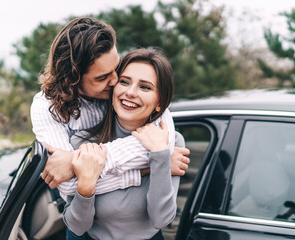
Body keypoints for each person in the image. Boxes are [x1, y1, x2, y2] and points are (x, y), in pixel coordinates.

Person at [31, 17, 190, 196]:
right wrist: (150, 168)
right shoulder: (46, 108)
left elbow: (165, 144)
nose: (115, 81)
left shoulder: (125, 92)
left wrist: (76, 162)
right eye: (102, 77)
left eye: (117, 68)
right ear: (73, 80)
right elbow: (68, 186)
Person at [64, 48, 181, 240]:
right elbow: (77, 227)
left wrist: (160, 154)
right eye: (124, 82)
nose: (130, 92)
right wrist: (86, 184)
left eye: (145, 87)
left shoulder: (171, 141)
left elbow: (161, 220)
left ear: (160, 103)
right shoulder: (83, 141)